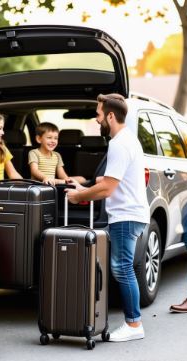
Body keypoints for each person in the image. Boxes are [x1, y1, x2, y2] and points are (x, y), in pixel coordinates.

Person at [66, 93, 150, 342]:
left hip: (125, 216)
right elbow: (112, 180)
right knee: (123, 267)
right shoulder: (128, 139)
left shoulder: (118, 144)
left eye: (99, 114)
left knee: (122, 268)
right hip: (132, 214)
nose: (97, 118)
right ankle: (132, 322)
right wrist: (98, 182)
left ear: (110, 116)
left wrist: (79, 195)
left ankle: (134, 324)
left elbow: (107, 189)